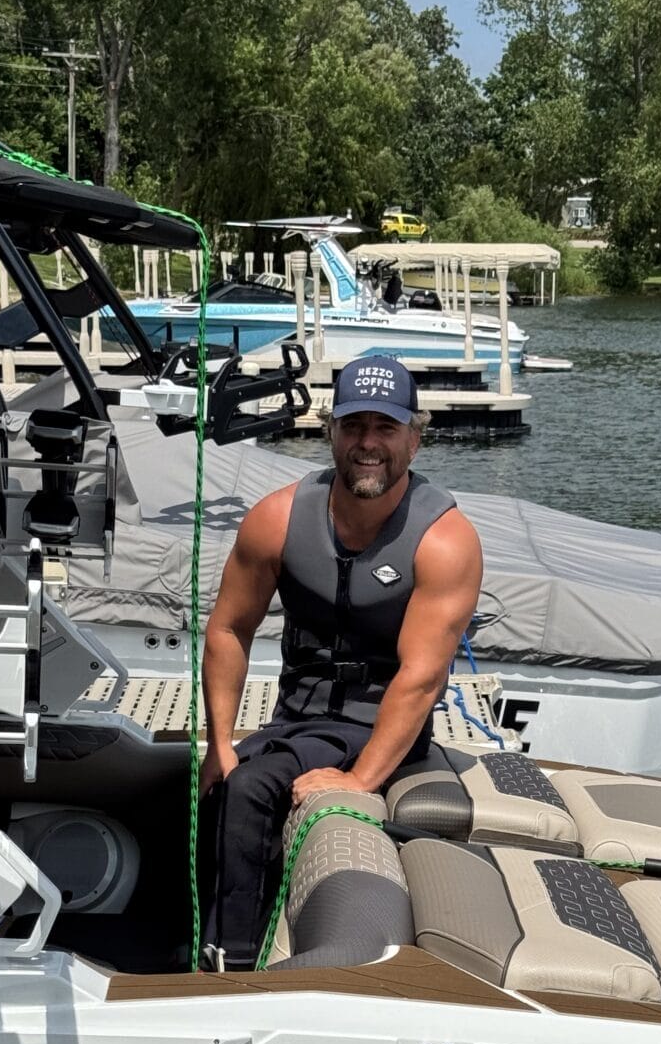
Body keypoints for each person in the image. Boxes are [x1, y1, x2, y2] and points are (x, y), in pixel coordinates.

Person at [199, 355, 483, 970]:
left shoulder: (444, 539)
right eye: (354, 426)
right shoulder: (277, 518)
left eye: (386, 428)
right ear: (331, 431)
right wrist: (218, 741)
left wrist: (359, 781)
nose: (368, 444)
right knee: (221, 782)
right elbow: (228, 628)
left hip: (380, 727)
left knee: (249, 789)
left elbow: (422, 676)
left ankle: (232, 968)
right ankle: (203, 939)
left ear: (415, 435)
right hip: (295, 721)